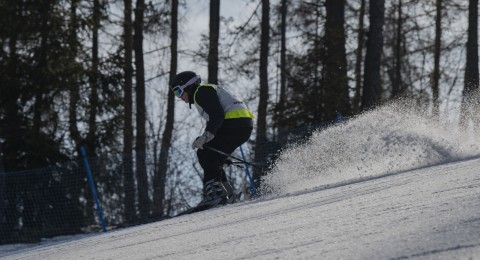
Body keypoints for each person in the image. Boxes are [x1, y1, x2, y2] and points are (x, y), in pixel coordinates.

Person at [170, 71, 254, 207]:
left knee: (205, 153)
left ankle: (216, 194)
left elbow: (217, 116)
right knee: (210, 153)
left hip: (235, 124)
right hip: (242, 125)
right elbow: (218, 117)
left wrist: (206, 136)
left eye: (178, 91)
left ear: (188, 86)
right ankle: (228, 194)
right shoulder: (205, 92)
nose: (179, 97)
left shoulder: (201, 92)